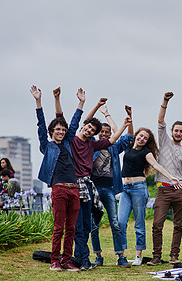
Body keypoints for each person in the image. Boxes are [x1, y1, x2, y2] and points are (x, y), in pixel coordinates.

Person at [55, 87, 132, 271]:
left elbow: (112, 140)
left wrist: (124, 123)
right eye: (88, 127)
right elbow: (69, 119)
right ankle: (84, 259)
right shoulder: (71, 140)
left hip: (88, 187)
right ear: (84, 127)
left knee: (88, 224)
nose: (89, 130)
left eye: (92, 130)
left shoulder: (93, 144)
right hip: (75, 186)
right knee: (79, 225)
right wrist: (91, 104)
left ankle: (83, 257)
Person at [30, 85, 83, 272]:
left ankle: (67, 260)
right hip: (59, 189)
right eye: (57, 129)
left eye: (63, 130)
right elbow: (40, 124)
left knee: (72, 228)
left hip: (74, 189)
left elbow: (75, 124)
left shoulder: (68, 143)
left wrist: (81, 103)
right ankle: (55, 260)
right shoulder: (47, 146)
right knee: (58, 227)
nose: (61, 132)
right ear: (52, 131)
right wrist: (38, 102)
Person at [119, 127, 181, 266]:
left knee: (139, 223)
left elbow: (156, 165)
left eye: (145, 138)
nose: (141, 139)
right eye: (140, 136)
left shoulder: (146, 152)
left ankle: (138, 256)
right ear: (136, 136)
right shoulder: (128, 146)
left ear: (147, 142)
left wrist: (171, 178)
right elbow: (129, 130)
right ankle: (121, 256)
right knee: (120, 222)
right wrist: (128, 117)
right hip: (125, 189)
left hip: (138, 189)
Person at [84, 99, 134, 268]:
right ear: (98, 133)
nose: (105, 134)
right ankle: (98, 256)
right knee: (94, 224)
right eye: (102, 132)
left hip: (110, 189)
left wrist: (111, 116)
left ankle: (120, 256)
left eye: (107, 132)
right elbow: (85, 125)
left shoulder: (113, 147)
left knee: (115, 222)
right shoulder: (91, 146)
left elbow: (127, 137)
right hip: (94, 189)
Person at [147, 92, 182, 266]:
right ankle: (156, 256)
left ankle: (174, 255)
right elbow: (160, 121)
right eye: (176, 130)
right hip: (163, 189)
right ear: (172, 131)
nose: (178, 133)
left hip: (179, 191)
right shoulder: (164, 141)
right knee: (157, 223)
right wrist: (165, 102)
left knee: (178, 225)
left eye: (181, 131)